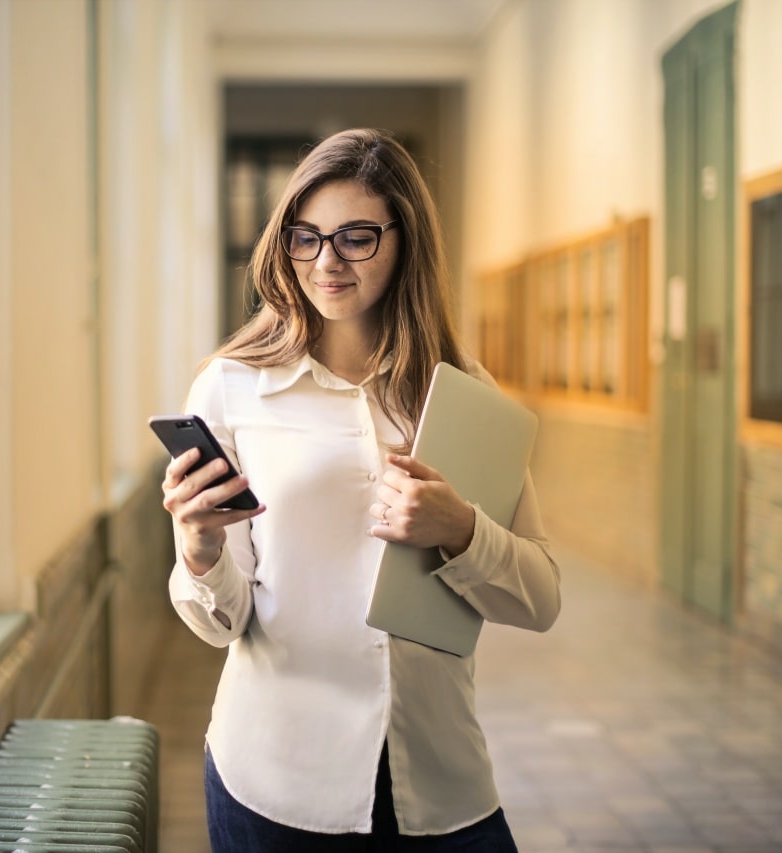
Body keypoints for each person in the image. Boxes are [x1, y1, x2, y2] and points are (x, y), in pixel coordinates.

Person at [160, 128, 561, 852]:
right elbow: (223, 622)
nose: (325, 261)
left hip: (439, 781)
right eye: (305, 237)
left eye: (355, 237)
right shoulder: (233, 387)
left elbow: (540, 598)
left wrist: (461, 529)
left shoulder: (465, 392)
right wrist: (198, 548)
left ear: (405, 239)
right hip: (276, 782)